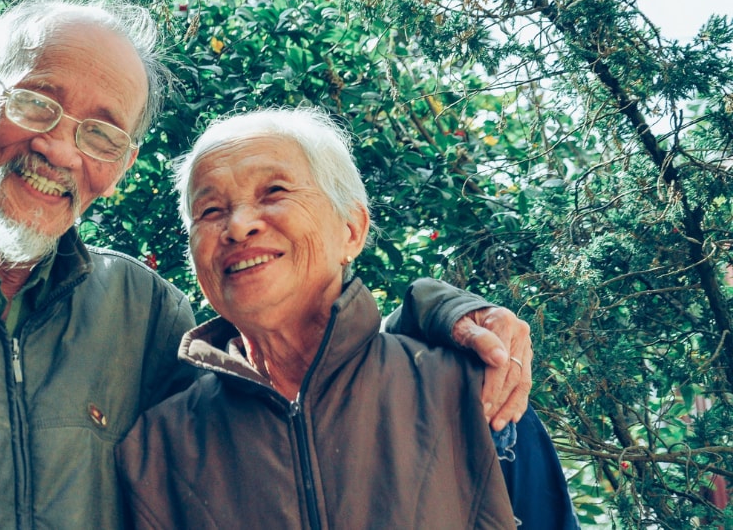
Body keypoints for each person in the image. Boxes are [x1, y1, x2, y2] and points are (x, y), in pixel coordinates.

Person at [0, 0, 534, 528]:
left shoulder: (143, 312)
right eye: (37, 103)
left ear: (120, 165)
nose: (59, 148)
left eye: (99, 131)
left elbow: (298, 382)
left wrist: (442, 313)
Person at [116, 107, 578, 529]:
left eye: (274, 192)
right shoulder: (157, 448)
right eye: (210, 211)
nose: (237, 226)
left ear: (352, 230)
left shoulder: (472, 391)